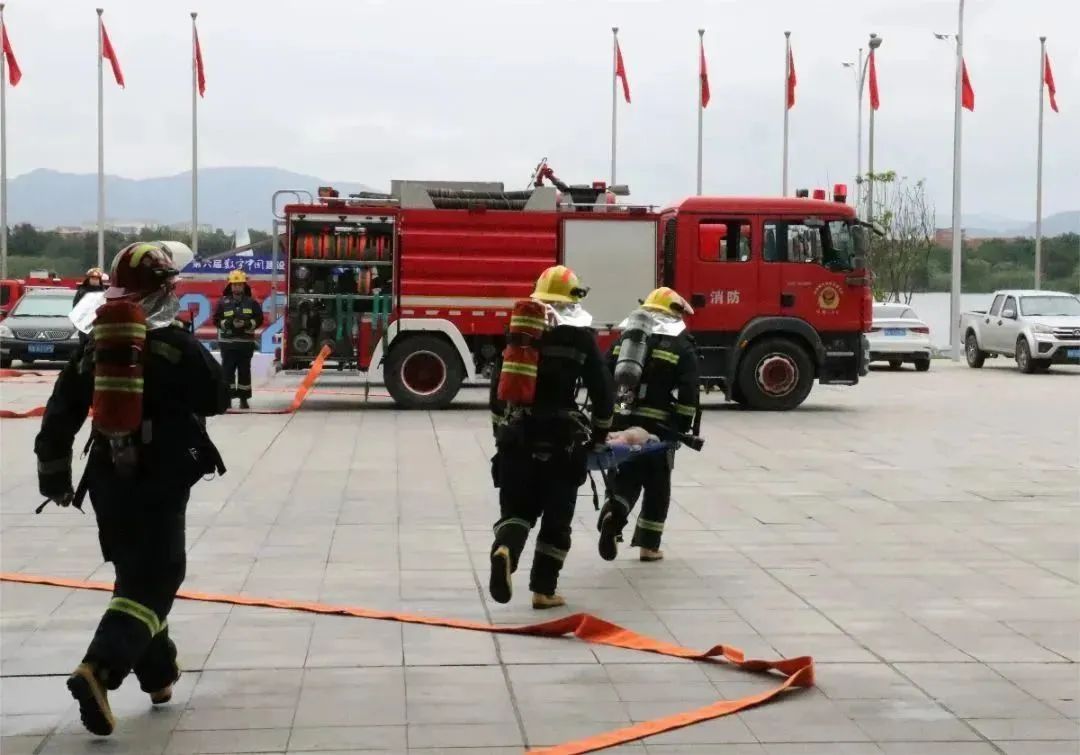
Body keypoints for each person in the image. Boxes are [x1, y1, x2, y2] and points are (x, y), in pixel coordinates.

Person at [34, 241, 228, 737]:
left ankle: (159, 676)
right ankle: (97, 671)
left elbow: (60, 415)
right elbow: (218, 396)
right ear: (165, 290)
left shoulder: (94, 346)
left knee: (136, 577)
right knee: (158, 576)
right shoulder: (175, 345)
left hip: (105, 477)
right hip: (159, 477)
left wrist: (54, 476)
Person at [489, 265, 615, 609]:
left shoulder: (520, 332)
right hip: (563, 440)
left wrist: (501, 431)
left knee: (517, 511)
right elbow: (603, 390)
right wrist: (601, 432)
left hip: (518, 436)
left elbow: (498, 388)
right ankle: (543, 590)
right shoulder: (580, 337)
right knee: (557, 518)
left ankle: (505, 551)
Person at [597, 287, 700, 563]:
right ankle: (648, 546)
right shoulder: (680, 345)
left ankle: (613, 513)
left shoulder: (626, 341)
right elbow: (689, 392)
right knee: (657, 485)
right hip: (657, 427)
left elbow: (605, 378)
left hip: (622, 418)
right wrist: (681, 424)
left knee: (627, 477)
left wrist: (611, 416)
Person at [213, 269, 262, 409]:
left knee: (244, 372)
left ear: (244, 286)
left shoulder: (251, 302)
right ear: (230, 286)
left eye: (239, 284)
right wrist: (229, 324)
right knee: (227, 372)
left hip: (245, 344)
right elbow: (216, 320)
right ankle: (227, 399)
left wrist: (246, 324)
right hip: (227, 344)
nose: (236, 287)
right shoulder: (223, 302)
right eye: (234, 285)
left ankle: (243, 399)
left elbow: (259, 319)